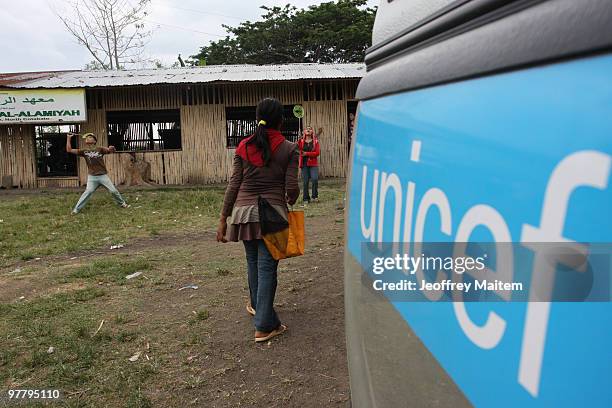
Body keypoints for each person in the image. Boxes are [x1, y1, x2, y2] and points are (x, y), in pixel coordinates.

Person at [216, 97, 300, 343]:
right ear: (281, 120)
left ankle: (257, 307)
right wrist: (291, 198)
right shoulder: (289, 148)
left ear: (257, 118)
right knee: (266, 267)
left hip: (243, 214)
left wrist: (223, 218)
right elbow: (292, 187)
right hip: (272, 214)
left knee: (253, 262)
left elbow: (234, 185)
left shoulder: (243, 146)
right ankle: (264, 324)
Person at [66, 132, 129, 214]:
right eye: (87, 137)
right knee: (88, 192)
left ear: (95, 141)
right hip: (92, 177)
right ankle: (76, 210)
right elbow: (69, 150)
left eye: (90, 137)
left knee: (113, 191)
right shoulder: (83, 151)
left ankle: (122, 204)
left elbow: (111, 151)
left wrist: (112, 148)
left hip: (103, 176)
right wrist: (68, 138)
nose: (88, 138)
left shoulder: (100, 149)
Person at [297, 126, 320, 204]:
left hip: (313, 163)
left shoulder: (315, 142)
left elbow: (317, 153)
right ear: (304, 132)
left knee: (315, 179)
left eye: (310, 129)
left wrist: (306, 153)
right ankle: (306, 198)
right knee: (305, 181)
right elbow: (297, 150)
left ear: (312, 131)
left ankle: (314, 196)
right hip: (304, 164)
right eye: (307, 129)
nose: (308, 129)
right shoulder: (301, 141)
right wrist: (298, 143)